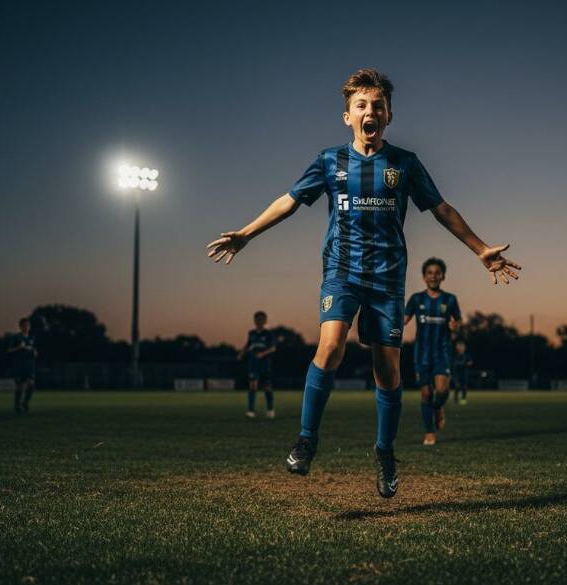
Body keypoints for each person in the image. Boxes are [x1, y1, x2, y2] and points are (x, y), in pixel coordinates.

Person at [207, 68, 521, 498]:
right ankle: (306, 440)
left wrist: (480, 248)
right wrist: (246, 233)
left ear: (389, 115)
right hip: (342, 270)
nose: (369, 111)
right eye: (361, 105)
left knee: (388, 371)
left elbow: (442, 208)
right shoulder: (329, 161)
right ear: (347, 116)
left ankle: (385, 453)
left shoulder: (405, 164)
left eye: (377, 105)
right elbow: (289, 201)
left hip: (387, 279)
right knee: (330, 346)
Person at [404, 258, 461, 445]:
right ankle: (429, 432)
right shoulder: (416, 299)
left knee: (442, 391)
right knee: (426, 393)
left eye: (437, 272)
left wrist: (455, 327)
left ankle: (439, 407)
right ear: (424, 276)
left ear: (443, 276)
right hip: (421, 353)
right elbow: (403, 319)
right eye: (430, 272)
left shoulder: (450, 299)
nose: (434, 276)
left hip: (442, 352)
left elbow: (457, 323)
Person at [242, 311, 277, 419]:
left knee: (267, 387)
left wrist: (262, 354)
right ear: (254, 320)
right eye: (257, 319)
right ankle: (251, 411)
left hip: (265, 364)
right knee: (252, 386)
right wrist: (242, 352)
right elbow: (248, 345)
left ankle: (270, 410)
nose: (259, 321)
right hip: (253, 363)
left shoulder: (268, 334)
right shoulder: (251, 333)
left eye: (261, 319)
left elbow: (273, 348)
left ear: (265, 321)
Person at [7, 317, 38, 414]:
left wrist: (35, 352)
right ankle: (17, 406)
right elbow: (9, 350)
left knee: (31, 384)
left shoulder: (32, 338)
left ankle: (25, 402)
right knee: (19, 386)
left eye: (27, 325)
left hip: (30, 365)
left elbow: (35, 350)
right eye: (24, 325)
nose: (26, 327)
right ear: (20, 327)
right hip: (19, 365)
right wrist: (18, 347)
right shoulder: (16, 337)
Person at [452, 339, 472, 405]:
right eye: (459, 346)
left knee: (464, 387)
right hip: (456, 374)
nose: (460, 348)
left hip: (464, 373)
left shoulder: (467, 355)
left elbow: (470, 363)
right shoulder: (454, 355)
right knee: (457, 386)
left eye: (462, 346)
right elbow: (452, 364)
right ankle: (455, 399)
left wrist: (466, 364)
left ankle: (463, 399)